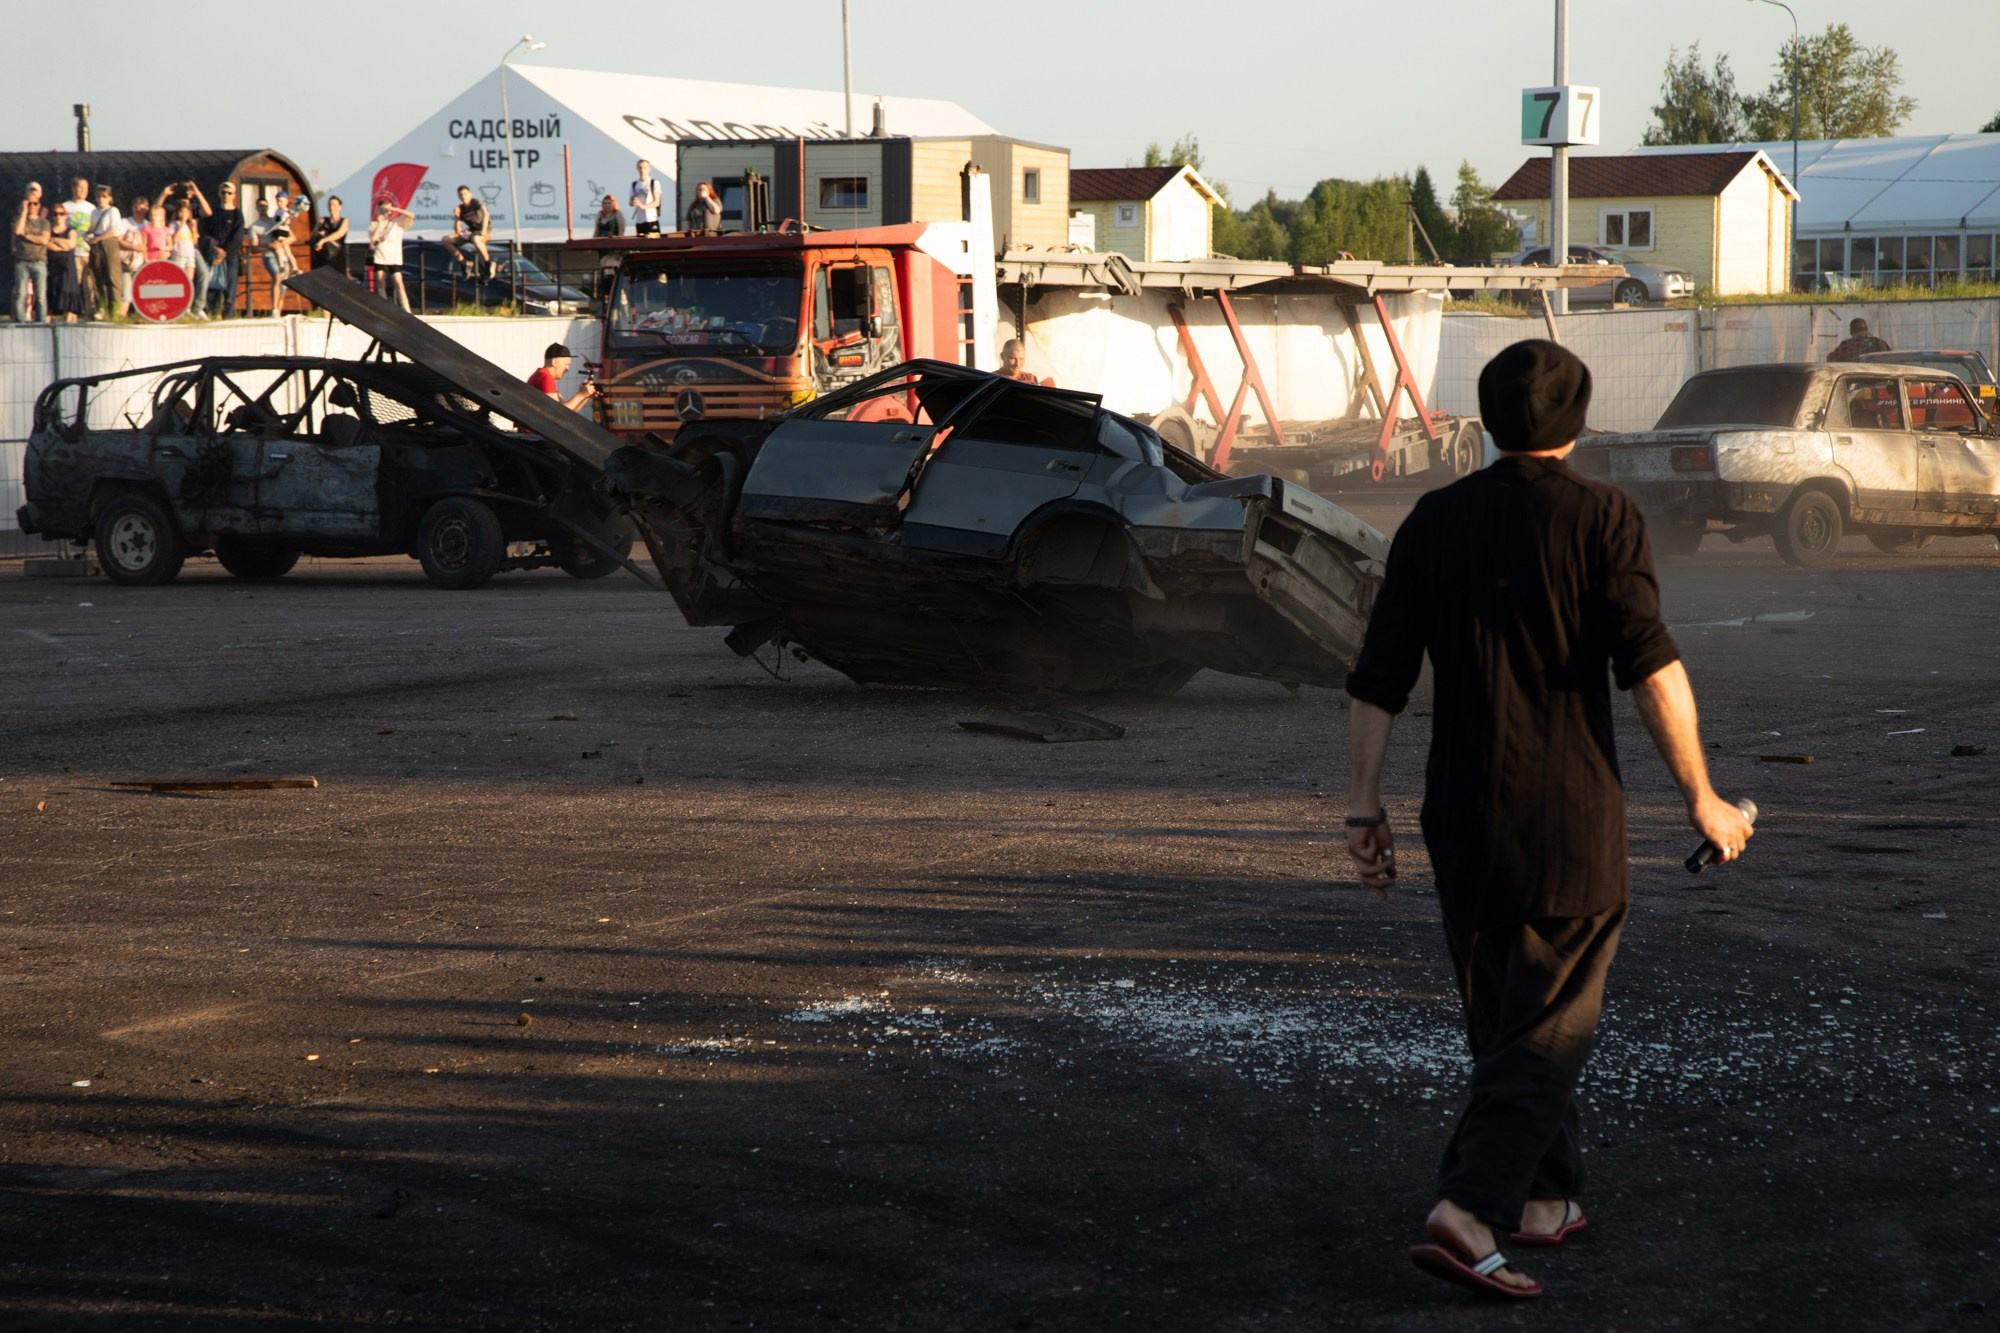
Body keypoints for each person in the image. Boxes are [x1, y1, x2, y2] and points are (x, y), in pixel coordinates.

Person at [1343, 339, 1752, 1302]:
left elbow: (1377, 679)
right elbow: (1650, 665)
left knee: (1506, 1012)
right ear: (1580, 421)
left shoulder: (1432, 521)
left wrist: (1364, 806)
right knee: (1549, 1028)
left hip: (1462, 814)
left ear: (1488, 421)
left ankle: (1541, 1198)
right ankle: (1469, 1207)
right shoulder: (1603, 514)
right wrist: (1702, 796)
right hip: (1568, 814)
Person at [197, 180, 246, 318]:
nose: (226, 195)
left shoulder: (237, 214)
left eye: (229, 193)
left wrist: (224, 253)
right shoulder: (213, 213)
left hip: (230, 257)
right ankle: (211, 315)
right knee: (212, 289)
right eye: (223, 192)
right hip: (213, 255)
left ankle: (228, 318)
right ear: (219, 194)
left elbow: (238, 236)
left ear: (234, 195)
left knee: (230, 292)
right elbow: (204, 233)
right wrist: (215, 249)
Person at [12, 182, 50, 323]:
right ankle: (19, 321)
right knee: (20, 294)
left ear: (38, 205)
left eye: (34, 204)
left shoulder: (44, 222)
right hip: (22, 260)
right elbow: (17, 231)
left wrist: (26, 236)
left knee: (40, 296)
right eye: (29, 204)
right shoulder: (18, 218)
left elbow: (44, 240)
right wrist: (23, 213)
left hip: (39, 260)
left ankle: (40, 322)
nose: (32, 206)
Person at [369, 200, 415, 313]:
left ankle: (407, 309)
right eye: (382, 209)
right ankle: (384, 309)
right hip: (380, 257)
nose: (385, 211)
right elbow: (373, 240)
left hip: (394, 258)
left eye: (386, 209)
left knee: (398, 282)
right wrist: (379, 223)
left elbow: (411, 215)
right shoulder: (373, 224)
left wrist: (393, 209)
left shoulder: (398, 223)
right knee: (381, 282)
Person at [528, 342, 601, 412]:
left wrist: (586, 395)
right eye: (566, 364)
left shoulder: (541, 375)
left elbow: (569, 412)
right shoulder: (546, 377)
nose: (567, 369)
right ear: (554, 362)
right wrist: (581, 394)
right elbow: (559, 412)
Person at [86, 185, 124, 319]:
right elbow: (92, 227)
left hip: (108, 243)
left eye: (104, 197)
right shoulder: (94, 212)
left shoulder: (113, 211)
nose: (101, 199)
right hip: (96, 245)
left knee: (112, 276)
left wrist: (98, 238)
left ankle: (115, 309)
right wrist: (86, 235)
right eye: (98, 197)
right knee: (98, 276)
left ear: (110, 199)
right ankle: (101, 306)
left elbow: (114, 230)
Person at [43, 203, 86, 322]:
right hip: (52, 267)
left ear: (65, 216)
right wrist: (61, 245)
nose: (58, 217)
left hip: (67, 268)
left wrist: (55, 239)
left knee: (69, 298)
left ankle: (69, 325)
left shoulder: (71, 230)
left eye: (61, 214)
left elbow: (71, 244)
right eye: (56, 214)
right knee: (49, 298)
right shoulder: (48, 230)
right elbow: (47, 244)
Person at [449, 185, 492, 277]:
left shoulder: (476, 203)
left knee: (476, 239)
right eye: (461, 195)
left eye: (465, 194)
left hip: (482, 229)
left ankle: (487, 263)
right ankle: (463, 262)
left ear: (470, 194)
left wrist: (483, 231)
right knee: (446, 240)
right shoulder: (460, 208)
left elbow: (486, 215)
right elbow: (457, 230)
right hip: (471, 231)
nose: (463, 196)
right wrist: (457, 217)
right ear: (458, 196)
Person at [312, 195, 349, 274]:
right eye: (330, 205)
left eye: (334, 205)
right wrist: (318, 228)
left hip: (337, 257)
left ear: (340, 207)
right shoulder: (323, 221)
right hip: (322, 258)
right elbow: (312, 236)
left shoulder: (344, 221)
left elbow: (339, 234)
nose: (332, 207)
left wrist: (324, 239)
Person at [629, 160, 662, 236]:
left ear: (649, 169)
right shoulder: (634, 184)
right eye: (640, 168)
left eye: (645, 168)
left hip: (651, 219)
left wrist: (644, 206)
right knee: (641, 244)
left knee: (654, 243)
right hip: (640, 220)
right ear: (637, 168)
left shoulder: (654, 183)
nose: (642, 170)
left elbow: (657, 202)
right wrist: (633, 202)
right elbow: (630, 202)